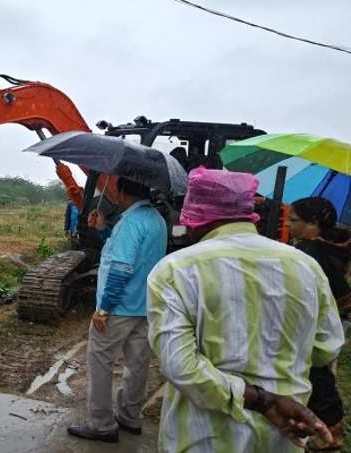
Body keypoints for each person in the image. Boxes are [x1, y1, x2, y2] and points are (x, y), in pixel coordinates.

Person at [147, 167, 344, 452]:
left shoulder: (175, 270)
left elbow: (182, 367)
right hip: (283, 435)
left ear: (195, 216)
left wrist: (262, 400)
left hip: (203, 438)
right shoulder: (305, 266)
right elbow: (327, 347)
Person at [67, 177, 167, 443]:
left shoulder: (131, 222)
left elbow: (121, 267)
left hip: (119, 308)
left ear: (123, 193)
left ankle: (101, 424)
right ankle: (130, 417)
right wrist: (102, 229)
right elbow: (125, 252)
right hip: (144, 306)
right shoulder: (156, 220)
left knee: (100, 362)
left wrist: (103, 308)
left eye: (117, 192)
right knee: (137, 364)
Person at [288, 196, 349, 451]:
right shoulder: (338, 246)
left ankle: (319, 437)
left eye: (294, 220)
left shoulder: (307, 253)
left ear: (314, 223)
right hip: (335, 325)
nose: (289, 225)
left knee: (314, 380)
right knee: (325, 376)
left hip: (309, 330)